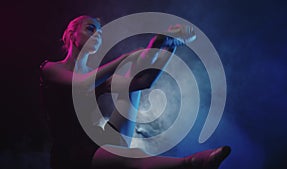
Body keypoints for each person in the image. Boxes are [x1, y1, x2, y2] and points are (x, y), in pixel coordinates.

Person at [40, 15, 231, 169]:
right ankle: (191, 163)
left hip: (97, 140)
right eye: (90, 28)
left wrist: (166, 49)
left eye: (100, 31)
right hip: (72, 153)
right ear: (71, 35)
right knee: (132, 155)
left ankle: (158, 44)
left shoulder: (93, 74)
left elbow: (142, 82)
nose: (97, 34)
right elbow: (81, 84)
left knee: (129, 88)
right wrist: (123, 58)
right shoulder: (51, 68)